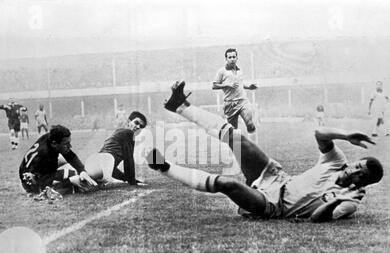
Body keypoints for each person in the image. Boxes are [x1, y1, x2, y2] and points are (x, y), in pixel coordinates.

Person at [148, 81, 384, 223]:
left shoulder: (351, 201)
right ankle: (180, 106)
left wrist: (339, 199)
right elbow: (319, 133)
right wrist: (346, 135)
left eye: (361, 175)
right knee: (235, 137)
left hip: (274, 205)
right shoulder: (337, 162)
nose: (355, 171)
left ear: (365, 182)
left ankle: (165, 167)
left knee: (226, 184)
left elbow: (316, 218)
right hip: (276, 176)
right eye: (358, 165)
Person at [19, 125, 97, 201]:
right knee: (72, 176)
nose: (70, 146)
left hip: (30, 169)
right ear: (55, 143)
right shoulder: (47, 156)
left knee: (74, 170)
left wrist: (82, 170)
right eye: (66, 144)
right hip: (32, 180)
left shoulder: (50, 138)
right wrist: (71, 181)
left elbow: (70, 156)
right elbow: (46, 186)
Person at [84, 111, 147, 187]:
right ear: (128, 121)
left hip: (92, 161)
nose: (138, 127)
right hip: (105, 161)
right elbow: (128, 159)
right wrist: (132, 181)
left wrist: (125, 178)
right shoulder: (129, 133)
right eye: (136, 123)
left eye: (141, 126)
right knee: (102, 182)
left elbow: (112, 168)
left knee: (86, 182)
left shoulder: (118, 131)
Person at [212, 48, 258, 143]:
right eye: (230, 57)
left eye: (234, 57)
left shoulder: (240, 70)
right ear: (226, 59)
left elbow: (239, 84)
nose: (232, 59)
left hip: (243, 101)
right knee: (233, 132)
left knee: (250, 124)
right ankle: (235, 154)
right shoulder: (222, 71)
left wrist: (249, 87)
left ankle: (254, 149)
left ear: (237, 58)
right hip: (230, 104)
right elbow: (214, 85)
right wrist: (227, 84)